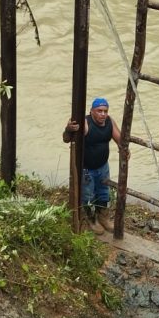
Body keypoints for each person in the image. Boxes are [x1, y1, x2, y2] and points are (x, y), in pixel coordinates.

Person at [63, 97, 125, 234]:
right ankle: (92, 220)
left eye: (105, 111)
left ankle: (103, 218)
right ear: (91, 111)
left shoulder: (109, 121)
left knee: (104, 193)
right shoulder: (85, 123)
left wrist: (125, 150)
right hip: (87, 169)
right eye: (99, 111)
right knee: (88, 195)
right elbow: (66, 139)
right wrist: (68, 129)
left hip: (103, 166)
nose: (103, 114)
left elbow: (120, 140)